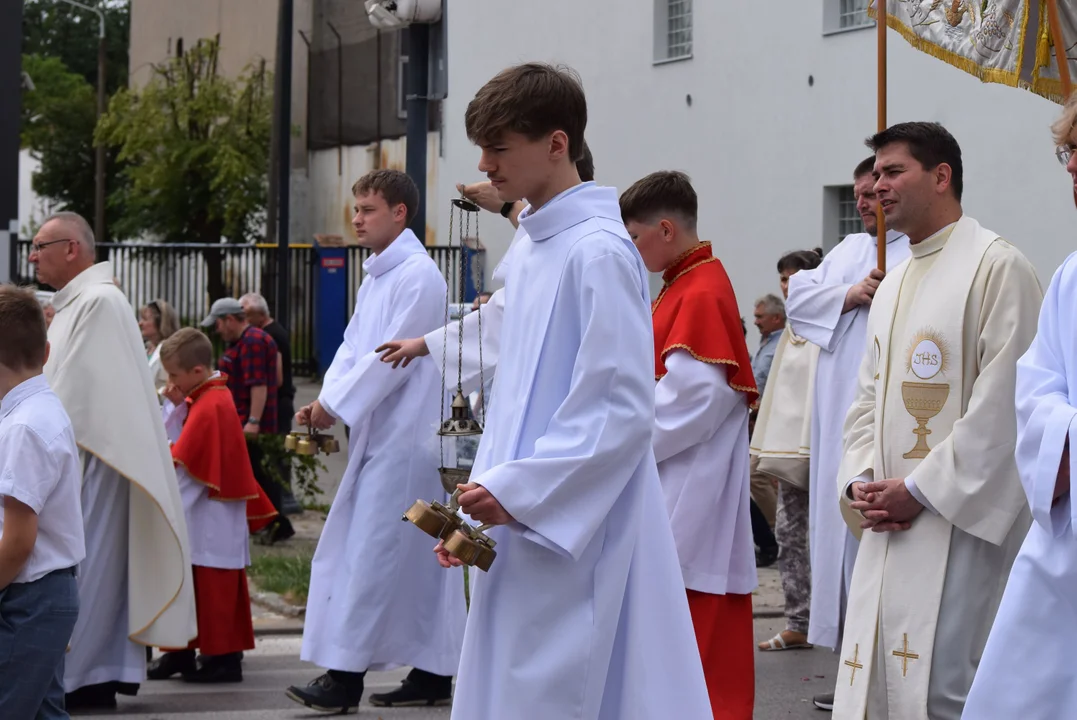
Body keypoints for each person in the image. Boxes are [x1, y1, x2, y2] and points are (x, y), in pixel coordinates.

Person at [386, 62, 711, 720]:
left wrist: (519, 491)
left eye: (500, 148)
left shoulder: (597, 252)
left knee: (559, 688)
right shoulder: (538, 247)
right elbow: (508, 345)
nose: (486, 165)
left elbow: (618, 407)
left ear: (555, 144)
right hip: (524, 511)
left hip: (571, 522)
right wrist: (485, 505)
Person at [834, 122, 1041, 719]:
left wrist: (919, 490)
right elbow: (865, 403)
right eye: (875, 174)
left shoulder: (998, 267)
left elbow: (1005, 406)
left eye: (893, 172)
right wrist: (861, 483)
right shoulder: (893, 283)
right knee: (875, 684)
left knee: (945, 689)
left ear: (942, 176)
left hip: (957, 523)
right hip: (887, 521)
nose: (877, 186)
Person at [284, 169, 464, 713]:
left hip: (406, 437)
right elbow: (350, 347)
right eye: (357, 208)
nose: (356, 219)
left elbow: (388, 357)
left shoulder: (419, 277)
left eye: (366, 209)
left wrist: (333, 405)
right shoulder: (379, 275)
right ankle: (435, 672)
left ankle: (344, 680)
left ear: (399, 213)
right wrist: (327, 401)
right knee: (412, 561)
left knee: (372, 554)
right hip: (381, 430)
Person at [30, 211, 195, 711]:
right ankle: (89, 674)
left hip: (97, 461)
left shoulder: (100, 302)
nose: (33, 256)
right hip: (81, 455)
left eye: (40, 246)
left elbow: (72, 392)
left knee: (91, 570)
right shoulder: (80, 302)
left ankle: (86, 677)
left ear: (72, 249)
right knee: (88, 569)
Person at [620, 170, 757, 719]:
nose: (632, 249)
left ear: (667, 229)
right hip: (680, 476)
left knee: (686, 625)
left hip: (688, 486)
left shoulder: (699, 288)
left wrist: (618, 437)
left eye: (636, 237)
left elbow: (694, 401)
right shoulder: (686, 282)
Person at [961, 99, 1077, 720]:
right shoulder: (1072, 274)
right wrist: (1061, 445)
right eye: (1068, 150)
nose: (1070, 167)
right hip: (1066, 541)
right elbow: (1036, 388)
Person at [785, 156, 912, 711]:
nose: (864, 201)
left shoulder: (919, 247)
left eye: (874, 190)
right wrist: (851, 294)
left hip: (899, 425)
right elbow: (797, 299)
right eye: (858, 194)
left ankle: (893, 683)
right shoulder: (850, 253)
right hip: (844, 419)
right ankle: (852, 677)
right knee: (844, 553)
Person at [147, 328, 278, 684]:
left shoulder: (211, 404)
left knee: (212, 589)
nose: (170, 381)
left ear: (197, 371)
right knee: (190, 584)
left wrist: (161, 503)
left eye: (174, 374)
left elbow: (185, 465)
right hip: (203, 512)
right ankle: (181, 653)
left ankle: (222, 659)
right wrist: (175, 406)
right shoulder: (205, 397)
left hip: (211, 517)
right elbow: (182, 445)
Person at [0, 285, 85, 719]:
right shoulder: (39, 409)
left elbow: (17, 542)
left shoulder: (23, 427)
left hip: (28, 598)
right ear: (47, 350)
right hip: (43, 594)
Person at [754, 249, 823, 653]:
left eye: (794, 277)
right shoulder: (789, 330)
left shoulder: (834, 321)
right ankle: (799, 618)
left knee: (831, 536)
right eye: (782, 278)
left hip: (825, 444)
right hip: (789, 446)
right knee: (789, 531)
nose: (787, 285)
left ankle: (837, 620)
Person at [201, 298, 295, 543]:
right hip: (245, 420)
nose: (217, 330)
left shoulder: (252, 341)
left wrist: (253, 420)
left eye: (218, 324)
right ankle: (271, 523)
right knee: (261, 473)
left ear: (230, 320)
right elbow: (276, 377)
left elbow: (260, 384)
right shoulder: (251, 339)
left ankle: (275, 524)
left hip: (251, 423)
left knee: (259, 475)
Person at [240, 292, 300, 514]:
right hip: (280, 401)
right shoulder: (270, 332)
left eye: (246, 314)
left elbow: (276, 376)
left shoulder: (270, 335)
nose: (243, 319)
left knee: (276, 456)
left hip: (279, 403)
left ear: (259, 314)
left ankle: (283, 500)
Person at [749, 293, 786, 564]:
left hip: (773, 420)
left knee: (758, 475)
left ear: (776, 318)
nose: (756, 321)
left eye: (760, 317)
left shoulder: (783, 343)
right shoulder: (767, 343)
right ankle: (775, 533)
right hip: (758, 419)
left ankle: (775, 533)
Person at [139, 299, 180, 391]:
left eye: (145, 319)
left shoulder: (171, 352)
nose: (140, 323)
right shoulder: (147, 350)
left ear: (160, 322)